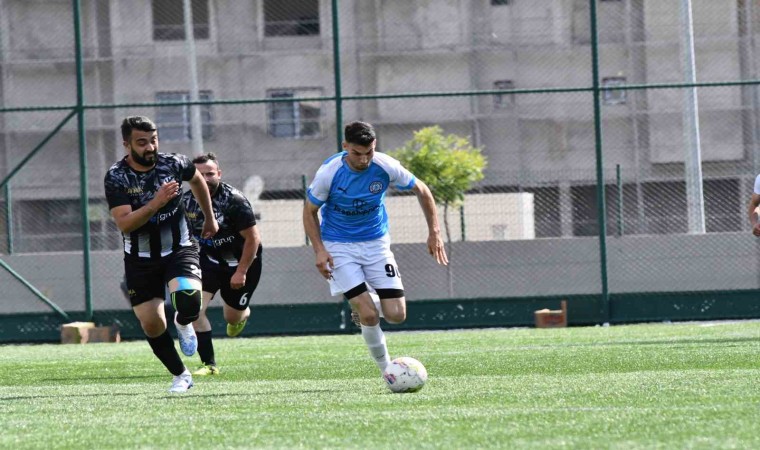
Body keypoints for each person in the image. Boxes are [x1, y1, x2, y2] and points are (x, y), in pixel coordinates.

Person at [302, 121, 448, 376]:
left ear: (375, 145)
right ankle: (387, 371)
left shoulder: (385, 165)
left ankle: (362, 305)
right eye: (357, 153)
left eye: (368, 152)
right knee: (369, 315)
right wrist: (319, 250)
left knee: (396, 315)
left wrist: (434, 232)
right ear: (345, 146)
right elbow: (309, 211)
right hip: (339, 246)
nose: (364, 159)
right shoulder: (329, 173)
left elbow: (422, 190)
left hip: (376, 244)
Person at [104, 115, 218, 394]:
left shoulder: (174, 163)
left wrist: (209, 217)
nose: (150, 147)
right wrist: (156, 203)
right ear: (127, 144)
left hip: (180, 248)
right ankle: (181, 375)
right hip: (140, 259)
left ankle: (183, 322)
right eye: (142, 142)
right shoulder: (117, 176)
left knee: (189, 300)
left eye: (153, 140)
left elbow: (197, 181)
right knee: (152, 324)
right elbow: (125, 223)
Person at [182, 152, 263, 376]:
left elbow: (253, 239)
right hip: (208, 262)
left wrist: (241, 271)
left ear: (219, 174)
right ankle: (209, 364)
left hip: (242, 263)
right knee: (194, 310)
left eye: (210, 174)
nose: (205, 179)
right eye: (200, 175)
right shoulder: (185, 202)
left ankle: (242, 314)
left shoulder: (234, 200)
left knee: (232, 317)